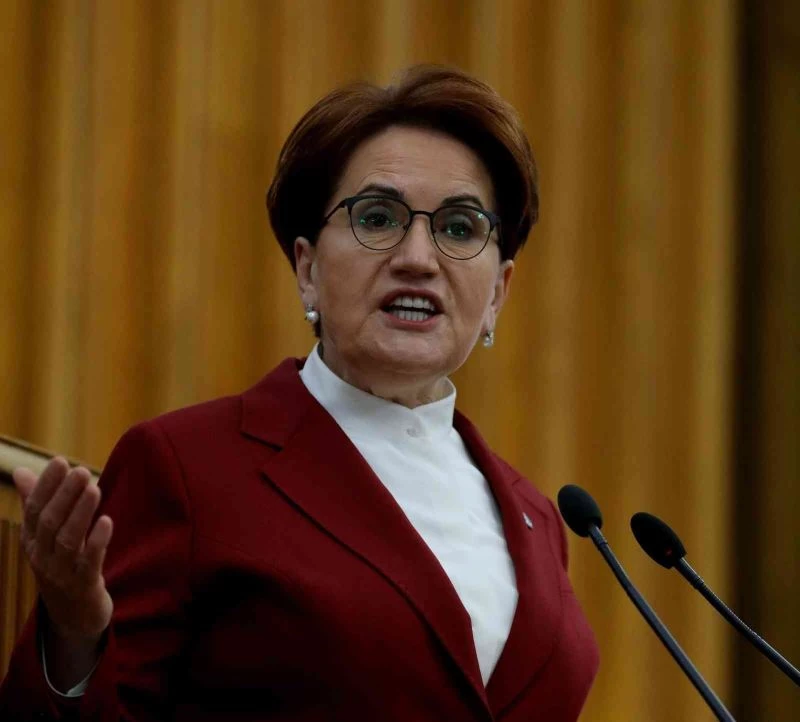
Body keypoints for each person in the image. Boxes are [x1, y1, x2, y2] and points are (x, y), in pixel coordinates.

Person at [0, 65, 598, 721]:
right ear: (308, 269)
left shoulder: (539, 519)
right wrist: (76, 638)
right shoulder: (189, 468)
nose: (418, 258)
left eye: (459, 227)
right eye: (378, 218)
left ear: (498, 293)